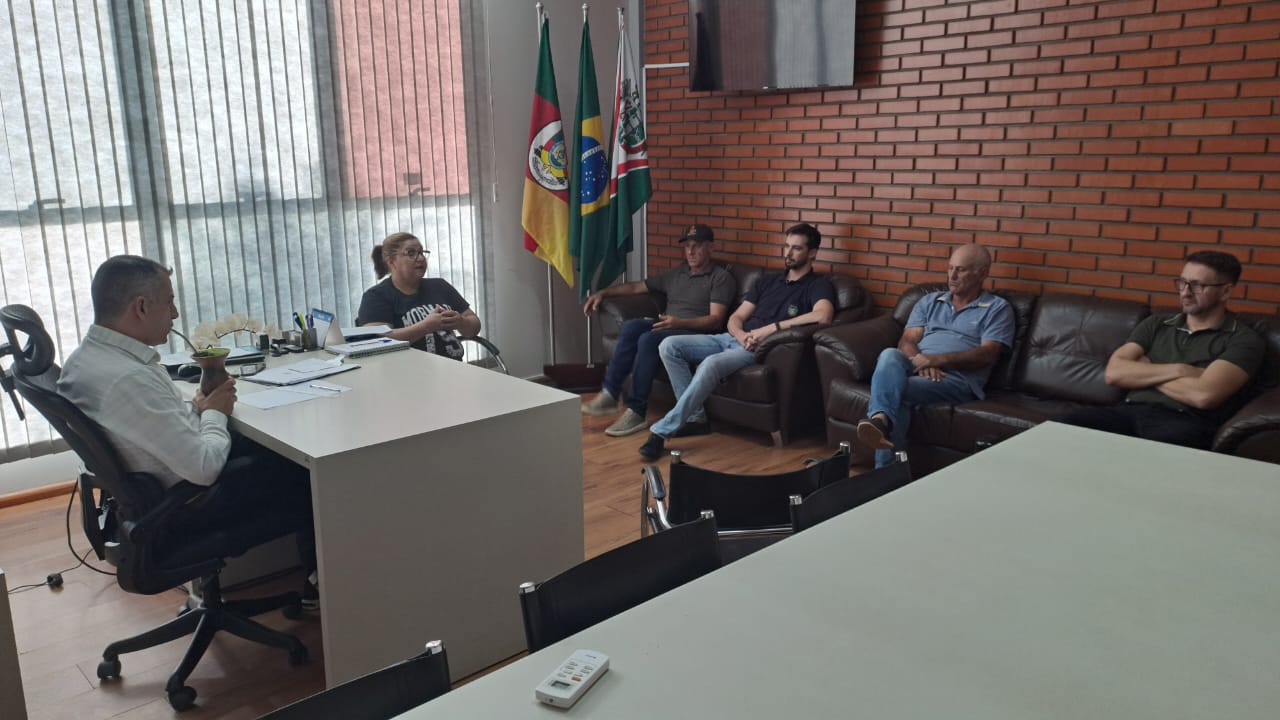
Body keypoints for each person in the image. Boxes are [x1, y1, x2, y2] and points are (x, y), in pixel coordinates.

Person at [58, 255, 318, 606]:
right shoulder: (128, 378)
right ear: (140, 307)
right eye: (169, 302)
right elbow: (204, 468)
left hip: (154, 496)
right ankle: (320, 583)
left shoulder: (86, 360)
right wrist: (213, 413)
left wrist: (196, 408)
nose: (175, 313)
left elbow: (151, 427)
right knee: (309, 471)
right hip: (188, 506)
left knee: (267, 444)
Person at [638, 222, 837, 460]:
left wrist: (769, 330)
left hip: (758, 348)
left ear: (812, 253)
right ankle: (695, 418)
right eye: (787, 246)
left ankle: (661, 431)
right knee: (669, 346)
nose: (788, 253)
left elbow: (823, 315)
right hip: (732, 338)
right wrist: (740, 334)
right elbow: (736, 317)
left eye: (796, 248)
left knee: (710, 364)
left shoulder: (818, 285)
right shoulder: (768, 281)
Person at [1059, 250, 1264, 449]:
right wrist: (1182, 370)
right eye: (1182, 282)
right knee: (1062, 428)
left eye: (1197, 285)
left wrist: (1146, 370)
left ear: (1225, 291)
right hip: (1128, 410)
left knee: (1153, 451)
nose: (1185, 292)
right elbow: (1114, 373)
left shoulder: (1243, 339)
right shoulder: (1156, 324)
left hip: (1183, 421)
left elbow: (1203, 396)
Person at [856, 244, 1015, 468]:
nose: (952, 276)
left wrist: (938, 360)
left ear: (982, 273)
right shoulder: (930, 301)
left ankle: (884, 472)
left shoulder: (997, 309)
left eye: (961, 270)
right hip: (919, 366)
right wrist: (923, 363)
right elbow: (907, 341)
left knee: (897, 391)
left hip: (957, 379)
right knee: (890, 354)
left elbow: (987, 354)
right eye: (950, 268)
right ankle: (880, 421)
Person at [581, 223, 736, 437]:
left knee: (648, 339)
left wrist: (679, 323)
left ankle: (637, 411)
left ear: (711, 247)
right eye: (687, 246)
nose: (690, 252)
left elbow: (715, 321)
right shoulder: (677, 273)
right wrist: (603, 293)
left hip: (695, 335)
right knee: (632, 327)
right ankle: (610, 393)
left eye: (697, 246)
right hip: (669, 325)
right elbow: (636, 286)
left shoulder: (720, 278)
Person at [356, 232, 481, 359]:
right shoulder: (376, 296)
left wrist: (461, 322)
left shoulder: (440, 286)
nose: (421, 258)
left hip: (454, 367)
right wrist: (426, 326)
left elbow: (474, 326)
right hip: (409, 370)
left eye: (421, 252)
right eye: (411, 253)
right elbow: (377, 340)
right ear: (392, 262)